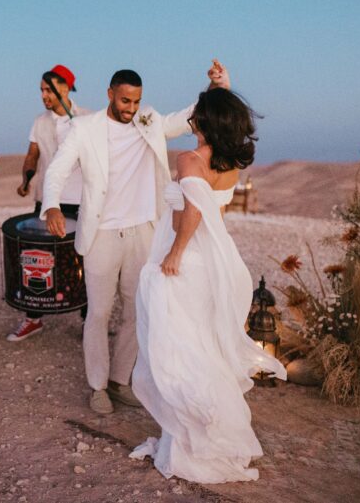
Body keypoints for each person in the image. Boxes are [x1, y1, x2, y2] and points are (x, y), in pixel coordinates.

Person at [42, 61, 230, 414]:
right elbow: (58, 169)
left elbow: (187, 115)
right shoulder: (84, 129)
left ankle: (119, 380)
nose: (131, 109)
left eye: (136, 101)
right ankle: (97, 385)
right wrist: (51, 205)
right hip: (102, 234)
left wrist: (216, 88)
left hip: (143, 231)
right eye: (125, 101)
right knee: (98, 313)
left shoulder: (149, 120)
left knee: (136, 310)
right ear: (110, 94)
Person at [128, 88, 286, 482]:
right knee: (200, 348)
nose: (190, 118)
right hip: (211, 266)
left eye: (195, 113)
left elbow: (193, 210)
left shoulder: (189, 159)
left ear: (201, 122)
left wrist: (175, 253)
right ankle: (197, 434)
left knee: (175, 351)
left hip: (185, 262)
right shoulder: (229, 165)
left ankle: (189, 440)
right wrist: (221, 83)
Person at [7, 64, 90, 342]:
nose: (44, 95)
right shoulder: (39, 121)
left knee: (82, 260)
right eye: (41, 90)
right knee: (38, 257)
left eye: (49, 89)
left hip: (79, 201)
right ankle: (33, 317)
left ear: (65, 88)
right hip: (47, 200)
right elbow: (33, 154)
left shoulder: (87, 118)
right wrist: (26, 179)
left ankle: (87, 321)